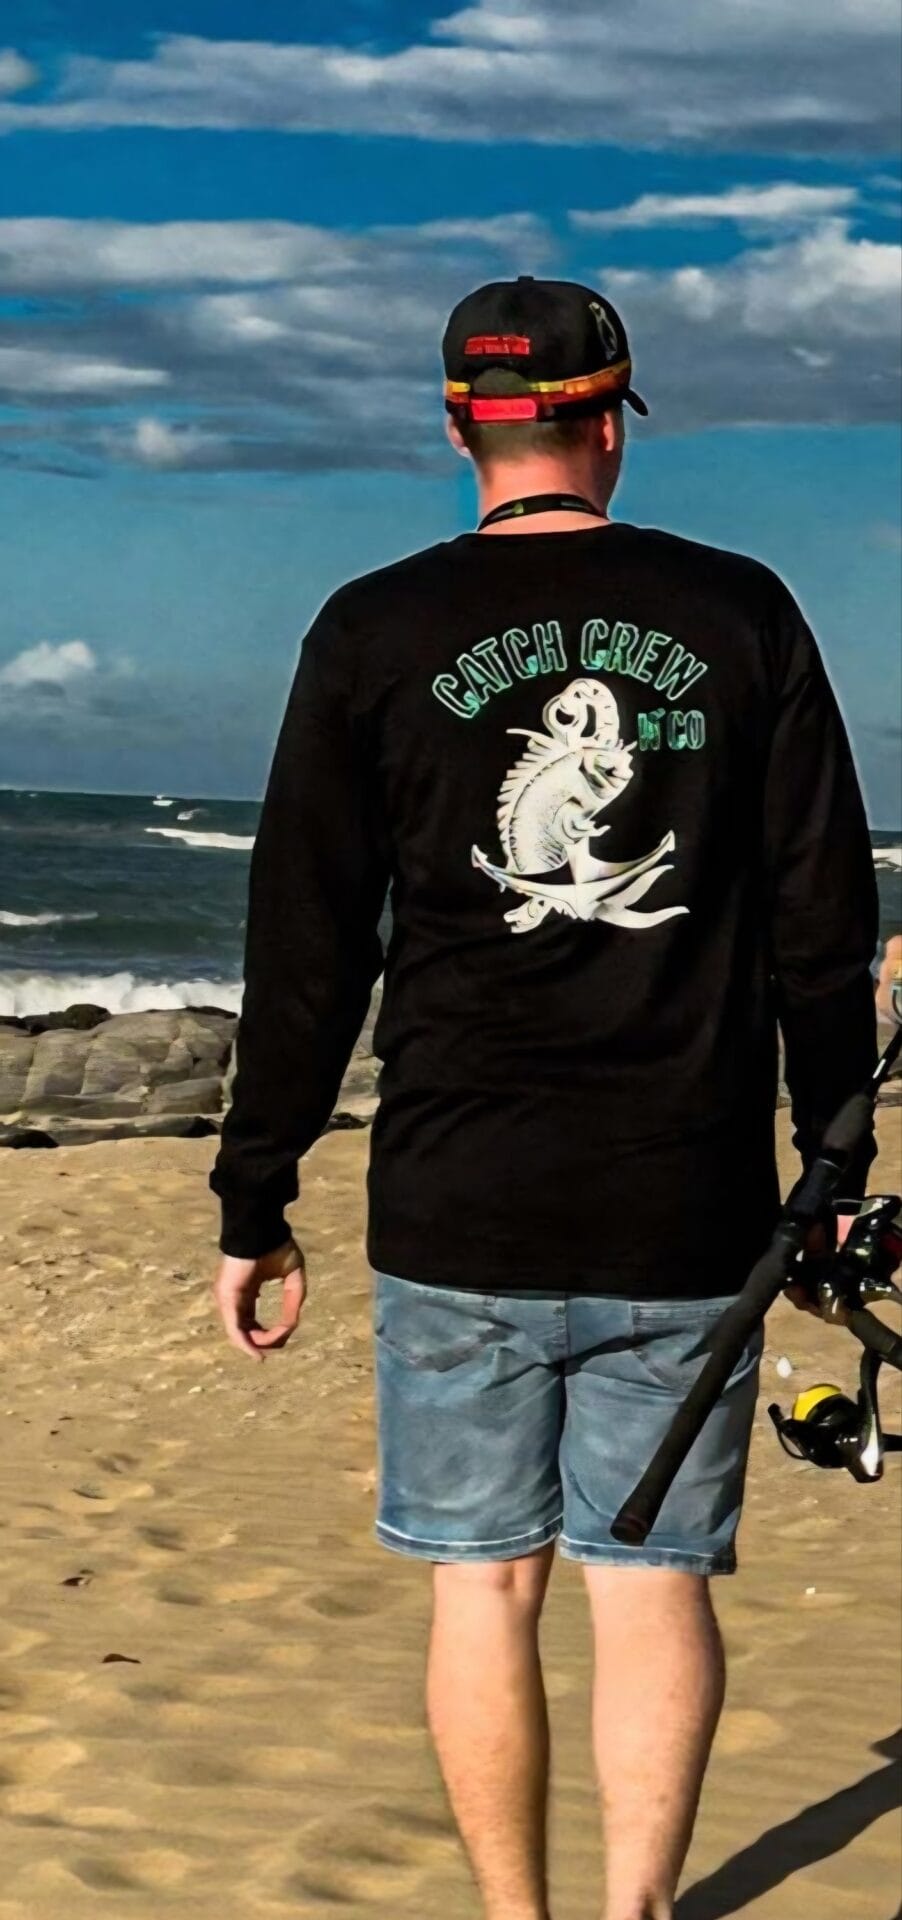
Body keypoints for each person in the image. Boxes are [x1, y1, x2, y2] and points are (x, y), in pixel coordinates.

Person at [209, 277, 880, 1920]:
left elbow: (305, 940)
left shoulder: (370, 629)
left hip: (459, 1200)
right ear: (610, 425)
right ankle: (634, 1911)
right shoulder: (739, 613)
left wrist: (256, 1192)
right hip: (685, 1198)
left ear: (458, 426)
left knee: (482, 1588)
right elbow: (820, 922)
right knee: (649, 1585)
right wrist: (831, 1162)